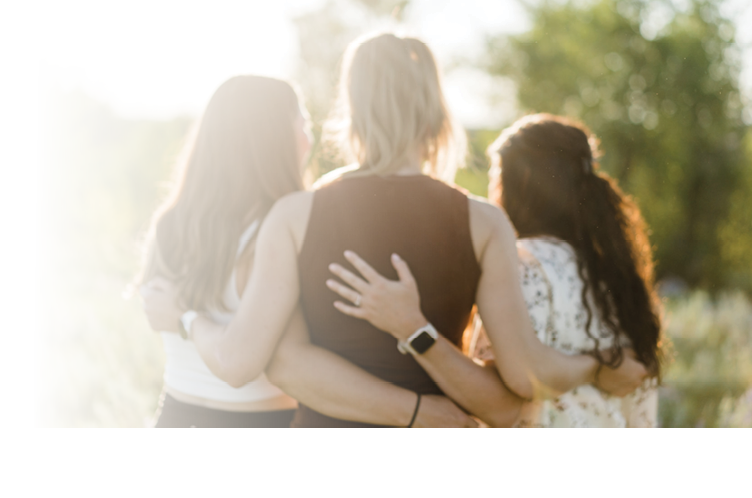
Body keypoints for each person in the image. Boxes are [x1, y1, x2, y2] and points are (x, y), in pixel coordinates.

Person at [143, 33, 648, 427]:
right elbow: (513, 392)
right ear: (435, 113)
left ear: (353, 113)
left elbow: (283, 364)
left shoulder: (296, 215)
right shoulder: (483, 221)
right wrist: (595, 363)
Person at [135, 74, 475, 428]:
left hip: (174, 414)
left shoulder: (171, 224)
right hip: (261, 424)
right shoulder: (282, 231)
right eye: (303, 124)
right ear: (277, 139)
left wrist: (183, 317)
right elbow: (238, 362)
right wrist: (186, 319)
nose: (309, 138)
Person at [329, 113, 664, 427]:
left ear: (521, 180)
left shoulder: (520, 265)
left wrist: (412, 328)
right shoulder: (619, 277)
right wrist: (599, 364)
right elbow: (640, 404)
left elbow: (501, 390)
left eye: (495, 176)